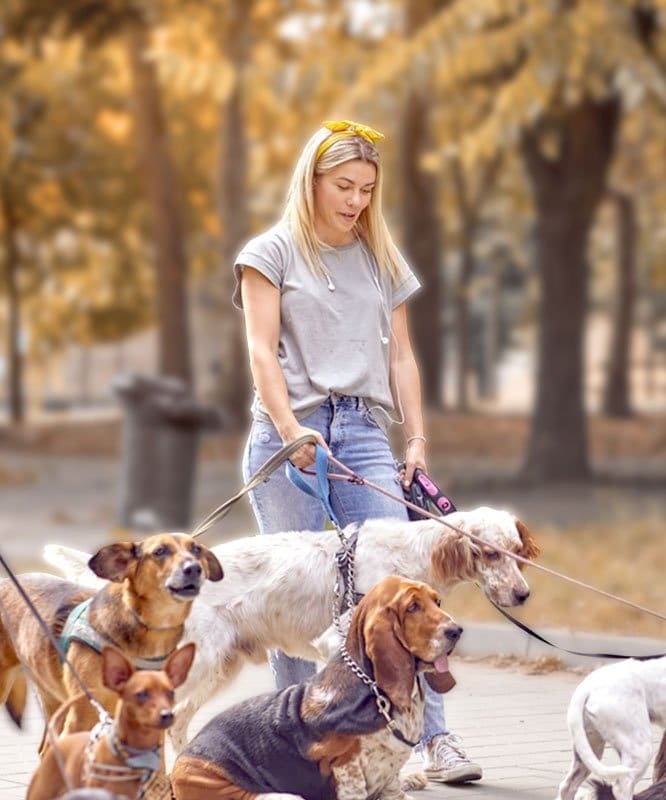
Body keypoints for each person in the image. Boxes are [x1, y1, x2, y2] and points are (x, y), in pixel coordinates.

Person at [233, 119, 482, 783]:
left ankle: (430, 739)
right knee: (288, 596)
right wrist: (291, 433)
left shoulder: (379, 256)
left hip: (364, 433)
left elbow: (401, 354)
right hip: (290, 436)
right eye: (343, 186)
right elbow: (261, 350)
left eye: (367, 190)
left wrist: (418, 438)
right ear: (311, 179)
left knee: (397, 590)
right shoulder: (272, 251)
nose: (355, 201)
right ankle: (297, 742)